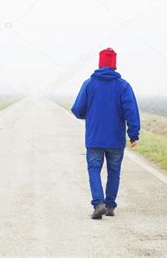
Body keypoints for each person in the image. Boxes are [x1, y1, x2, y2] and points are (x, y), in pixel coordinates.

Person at [71, 48, 141, 220]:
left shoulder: (89, 84)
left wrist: (89, 115)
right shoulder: (123, 86)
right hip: (116, 139)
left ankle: (98, 204)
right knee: (114, 171)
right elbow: (131, 111)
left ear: (100, 63)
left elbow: (78, 109)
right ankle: (110, 205)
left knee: (94, 170)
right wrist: (133, 134)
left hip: (94, 137)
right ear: (114, 64)